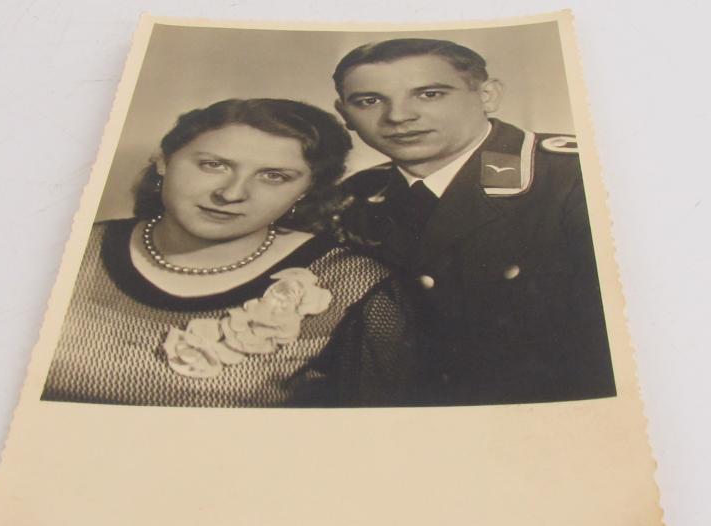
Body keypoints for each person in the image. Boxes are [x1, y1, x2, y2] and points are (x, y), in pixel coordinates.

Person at [42, 98, 423, 408]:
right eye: (213, 165)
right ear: (163, 160)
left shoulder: (357, 288)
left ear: (307, 190)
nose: (232, 193)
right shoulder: (68, 250)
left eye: (274, 176)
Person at [332, 38, 616, 405]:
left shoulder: (580, 177)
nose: (399, 116)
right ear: (344, 114)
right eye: (369, 101)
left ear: (488, 95)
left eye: (430, 94)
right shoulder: (349, 200)